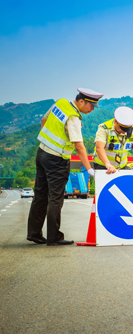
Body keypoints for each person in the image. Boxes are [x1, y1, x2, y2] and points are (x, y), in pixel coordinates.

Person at [27, 88, 102, 245]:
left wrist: (48, 143)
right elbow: (79, 147)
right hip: (57, 160)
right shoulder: (73, 117)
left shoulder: (60, 103)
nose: (92, 109)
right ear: (81, 101)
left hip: (42, 153)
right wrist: (89, 169)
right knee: (55, 199)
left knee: (40, 195)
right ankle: (54, 237)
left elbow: (43, 121)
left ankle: (34, 233)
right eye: (91, 106)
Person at [93, 106, 133, 174]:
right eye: (121, 129)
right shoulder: (104, 128)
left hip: (122, 167)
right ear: (116, 121)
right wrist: (107, 164)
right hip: (103, 166)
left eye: (126, 130)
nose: (123, 132)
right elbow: (99, 148)